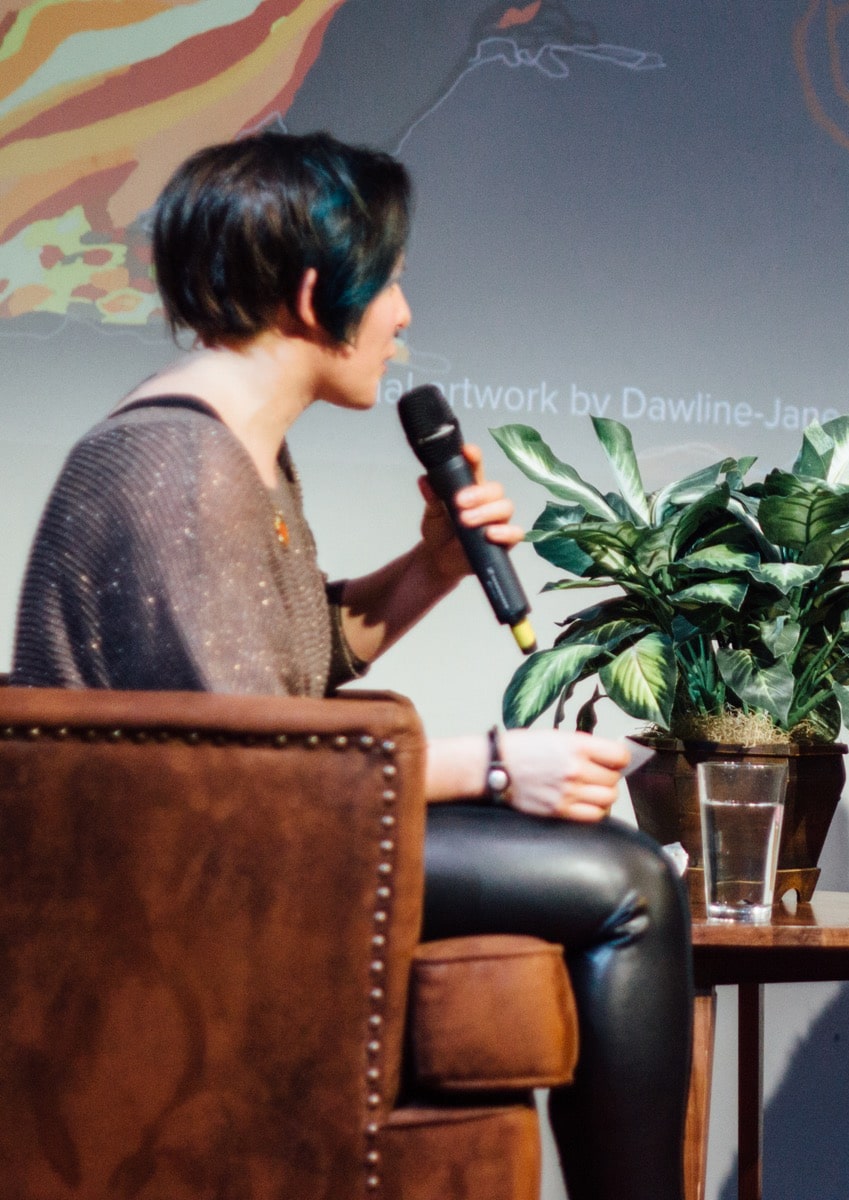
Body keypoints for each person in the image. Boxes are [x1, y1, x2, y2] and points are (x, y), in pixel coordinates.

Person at [8, 132, 691, 1200]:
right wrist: (494, 766)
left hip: (242, 845)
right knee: (630, 886)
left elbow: (289, 664)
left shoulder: (231, 446)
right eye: (390, 280)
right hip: (171, 881)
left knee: (607, 863)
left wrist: (431, 568)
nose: (403, 314)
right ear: (314, 293)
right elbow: (257, 770)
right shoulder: (177, 464)